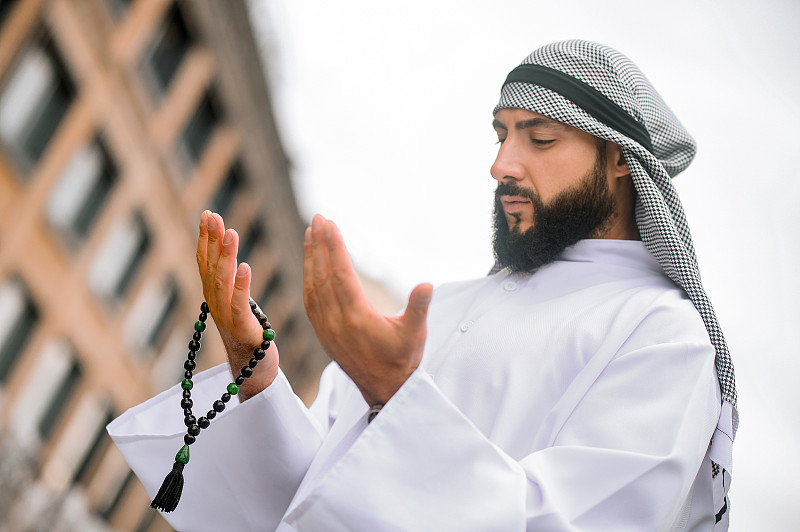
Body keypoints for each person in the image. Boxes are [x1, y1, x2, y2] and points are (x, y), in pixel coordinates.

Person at [108, 39, 737, 531]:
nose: (501, 166)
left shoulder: (663, 335)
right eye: (501, 135)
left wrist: (395, 394)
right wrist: (257, 372)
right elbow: (311, 498)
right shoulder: (447, 307)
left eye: (540, 139)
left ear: (622, 158)